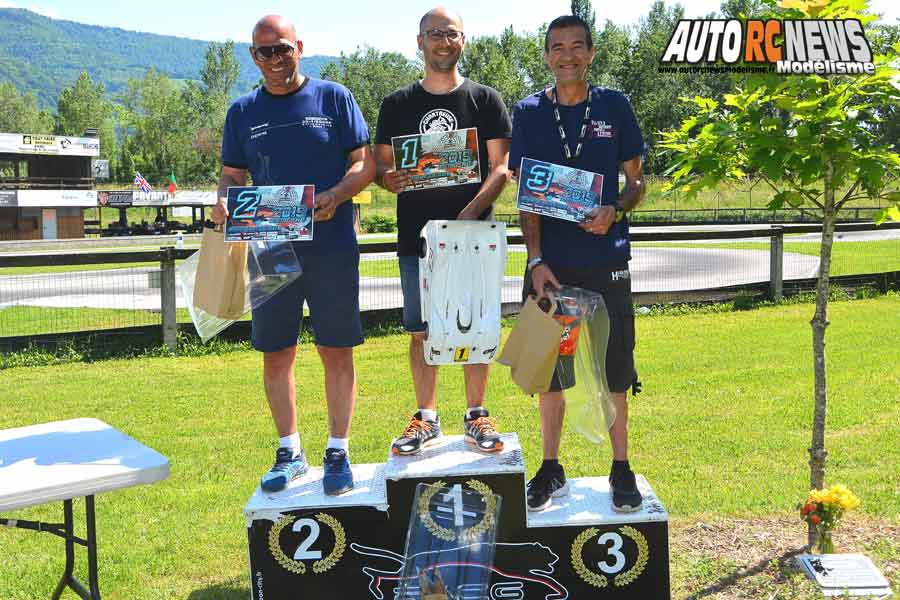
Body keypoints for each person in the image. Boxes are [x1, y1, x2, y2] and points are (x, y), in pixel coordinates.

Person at [211, 15, 375, 495]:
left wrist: (338, 195)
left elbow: (363, 164)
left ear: (299, 47)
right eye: (265, 52)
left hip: (333, 247)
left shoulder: (333, 97)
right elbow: (231, 175)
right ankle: (290, 451)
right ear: (253, 56)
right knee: (276, 352)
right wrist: (222, 200)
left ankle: (338, 452)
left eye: (282, 49)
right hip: (271, 249)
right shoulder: (242, 111)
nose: (275, 59)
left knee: (336, 349)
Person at [508, 15, 647, 512]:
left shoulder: (614, 105)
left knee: (615, 370)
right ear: (545, 55)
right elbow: (526, 195)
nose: (566, 55)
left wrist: (617, 208)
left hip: (606, 260)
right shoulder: (526, 112)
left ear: (590, 53)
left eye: (576, 46)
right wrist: (536, 259)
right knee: (548, 372)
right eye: (556, 47)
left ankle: (621, 467)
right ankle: (551, 468)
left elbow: (637, 182)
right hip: (553, 265)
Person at [374, 7, 512, 456]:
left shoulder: (485, 100)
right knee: (420, 331)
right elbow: (381, 166)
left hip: (473, 238)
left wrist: (470, 213)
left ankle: (476, 415)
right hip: (417, 236)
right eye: (434, 34)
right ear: (419, 42)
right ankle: (426, 417)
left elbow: (502, 169)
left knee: (475, 328)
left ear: (463, 41)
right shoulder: (396, 105)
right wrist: (386, 179)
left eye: (451, 34)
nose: (443, 42)